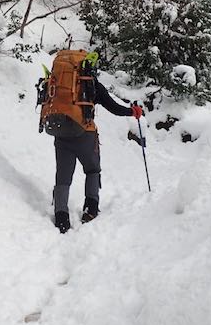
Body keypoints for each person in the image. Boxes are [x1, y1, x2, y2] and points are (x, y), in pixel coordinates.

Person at [38, 50, 143, 233]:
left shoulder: (56, 81)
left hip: (61, 136)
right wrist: (132, 111)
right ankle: (91, 209)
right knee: (92, 170)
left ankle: (61, 217)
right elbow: (114, 107)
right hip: (85, 134)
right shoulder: (90, 83)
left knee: (63, 177)